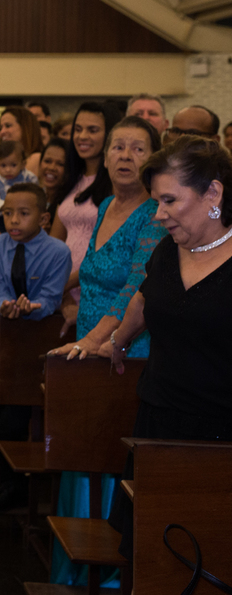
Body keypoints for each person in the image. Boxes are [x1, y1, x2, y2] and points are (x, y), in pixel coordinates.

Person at [99, 136, 232, 560]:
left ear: (213, 192)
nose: (159, 215)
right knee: (151, 555)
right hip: (159, 424)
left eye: (170, 200)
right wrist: (117, 342)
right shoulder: (167, 250)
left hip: (220, 436)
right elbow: (144, 298)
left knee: (209, 556)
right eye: (157, 202)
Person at [46, 116, 165, 587]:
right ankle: (74, 573)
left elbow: (135, 288)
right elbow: (92, 270)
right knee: (84, 451)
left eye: (138, 149)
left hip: (126, 351)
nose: (124, 156)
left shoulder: (154, 213)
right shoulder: (109, 203)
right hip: (92, 350)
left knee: (109, 452)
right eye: (118, 147)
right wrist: (54, 294)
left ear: (153, 159)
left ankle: (112, 576)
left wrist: (94, 343)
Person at [0, 183, 71, 510]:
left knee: (15, 415)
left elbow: (51, 296)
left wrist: (33, 307)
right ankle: (4, 482)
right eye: (7, 213)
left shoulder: (58, 252)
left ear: (44, 218)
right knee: (2, 409)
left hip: (34, 343)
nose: (13, 220)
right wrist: (5, 306)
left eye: (23, 213)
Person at [51, 102, 120, 303]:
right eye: (78, 129)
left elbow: (112, 251)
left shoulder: (117, 183)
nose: (82, 136)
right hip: (62, 289)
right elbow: (54, 243)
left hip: (97, 289)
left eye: (93, 130)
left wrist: (65, 285)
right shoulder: (71, 180)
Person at [0, 140, 38, 234]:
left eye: (13, 165)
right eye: (3, 165)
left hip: (24, 216)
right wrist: (3, 206)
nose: (8, 170)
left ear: (23, 164)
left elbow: (37, 195)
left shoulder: (29, 178)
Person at [38, 137, 68, 222]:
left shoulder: (67, 204)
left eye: (60, 164)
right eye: (47, 161)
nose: (52, 168)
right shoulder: (32, 196)